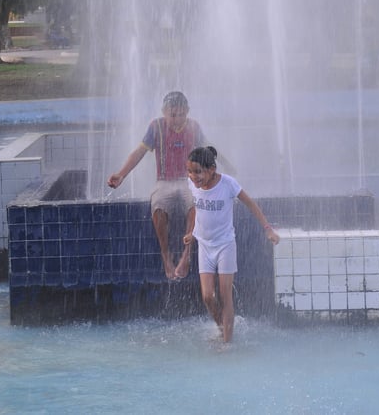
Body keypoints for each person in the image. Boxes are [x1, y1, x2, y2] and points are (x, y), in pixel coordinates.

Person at [184, 146, 279, 343]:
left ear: (211, 169)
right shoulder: (192, 184)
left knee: (225, 294)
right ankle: (222, 328)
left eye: (198, 172)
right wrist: (192, 233)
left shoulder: (228, 184)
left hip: (225, 245)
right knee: (207, 296)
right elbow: (196, 208)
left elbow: (251, 204)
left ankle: (227, 342)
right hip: (204, 245)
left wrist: (267, 228)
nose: (193, 176)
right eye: (190, 172)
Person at [107, 91, 206, 280]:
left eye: (181, 114)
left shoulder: (194, 127)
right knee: (158, 206)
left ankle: (186, 256)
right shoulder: (156, 127)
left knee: (196, 204)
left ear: (187, 111)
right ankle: (166, 256)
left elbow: (209, 152)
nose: (177, 119)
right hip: (164, 182)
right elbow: (139, 152)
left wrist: (224, 173)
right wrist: (121, 175)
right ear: (164, 112)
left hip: (189, 181)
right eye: (173, 115)